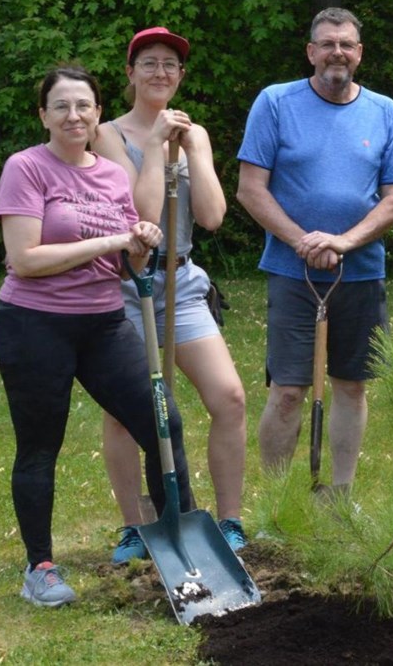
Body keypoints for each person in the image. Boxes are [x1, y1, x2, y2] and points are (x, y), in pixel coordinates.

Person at [0, 66, 195, 607]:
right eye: (60, 106)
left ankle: (182, 549)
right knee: (40, 446)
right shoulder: (26, 168)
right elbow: (25, 259)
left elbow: (130, 255)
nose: (73, 115)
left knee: (163, 424)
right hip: (35, 325)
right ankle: (40, 568)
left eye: (83, 105)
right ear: (43, 115)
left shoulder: (110, 174)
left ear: (98, 113)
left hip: (104, 323)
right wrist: (111, 239)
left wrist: (141, 242)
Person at [236, 7, 393, 493]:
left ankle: (340, 496)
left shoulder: (385, 112)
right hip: (293, 273)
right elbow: (251, 189)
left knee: (351, 386)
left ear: (360, 54)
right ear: (311, 52)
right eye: (328, 43)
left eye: (347, 44)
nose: (338, 52)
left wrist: (344, 241)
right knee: (289, 391)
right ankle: (276, 505)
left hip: (360, 272)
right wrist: (302, 241)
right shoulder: (275, 103)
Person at [93, 27, 249, 562]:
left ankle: (228, 521)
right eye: (150, 63)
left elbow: (211, 215)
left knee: (229, 398)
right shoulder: (108, 134)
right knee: (122, 410)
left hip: (181, 283)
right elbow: (138, 215)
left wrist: (190, 149)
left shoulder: (194, 134)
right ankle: (135, 527)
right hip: (127, 283)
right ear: (130, 73)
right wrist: (157, 145)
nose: (161, 73)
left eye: (171, 65)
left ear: (181, 76)